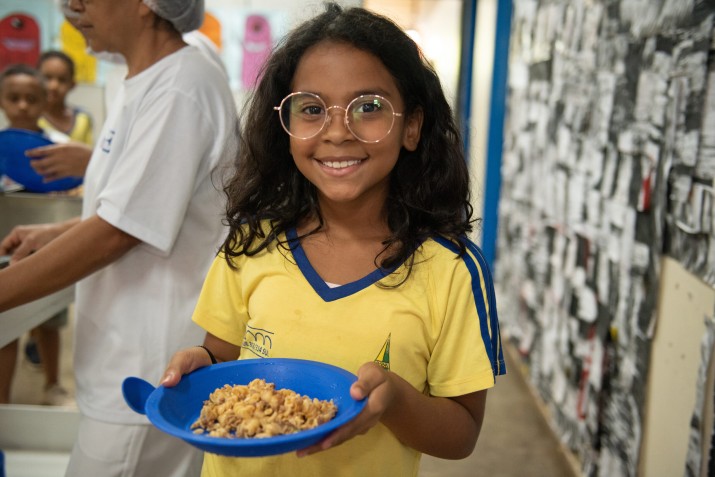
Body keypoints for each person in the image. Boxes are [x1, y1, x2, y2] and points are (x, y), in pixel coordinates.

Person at [159, 4, 505, 476]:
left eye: (368, 107)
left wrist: (395, 400)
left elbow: (462, 434)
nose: (337, 132)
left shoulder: (452, 271)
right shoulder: (252, 244)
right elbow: (222, 362)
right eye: (311, 109)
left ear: (412, 126)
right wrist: (198, 364)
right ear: (287, 126)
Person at [0, 0, 237, 476]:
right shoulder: (144, 79)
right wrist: (57, 232)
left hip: (147, 363)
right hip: (123, 350)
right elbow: (135, 206)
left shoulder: (180, 87)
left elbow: (117, 234)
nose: (72, 6)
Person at [22, 50, 95, 406]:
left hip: (69, 215)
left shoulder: (80, 122)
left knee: (53, 304)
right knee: (29, 292)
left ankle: (52, 380)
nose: (52, 85)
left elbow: (96, 172)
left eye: (60, 78)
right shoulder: (24, 129)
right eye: (45, 78)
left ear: (71, 84)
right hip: (33, 216)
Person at [0, 63, 72, 405]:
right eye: (14, 98)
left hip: (50, 251)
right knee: (6, 328)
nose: (23, 106)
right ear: (2, 102)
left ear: (45, 102)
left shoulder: (61, 150)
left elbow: (75, 193)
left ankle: (52, 384)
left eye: (32, 99)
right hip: (6, 250)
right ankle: (4, 400)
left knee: (49, 321)